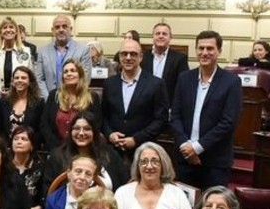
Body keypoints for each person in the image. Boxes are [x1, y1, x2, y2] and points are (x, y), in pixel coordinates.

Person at [170, 30, 242, 189]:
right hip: (184, 158)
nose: (204, 53)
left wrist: (197, 148)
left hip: (215, 161)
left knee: (212, 203)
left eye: (210, 48)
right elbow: (175, 116)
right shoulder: (184, 78)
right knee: (185, 203)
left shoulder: (231, 82)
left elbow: (228, 122)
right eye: (201, 48)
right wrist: (186, 147)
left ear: (219, 51)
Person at [101, 39, 169, 167]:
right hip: (114, 152)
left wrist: (136, 139)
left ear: (141, 57)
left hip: (144, 152)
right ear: (119, 57)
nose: (128, 58)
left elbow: (161, 120)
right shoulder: (109, 83)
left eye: (133, 54)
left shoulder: (156, 84)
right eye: (124, 54)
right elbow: (104, 116)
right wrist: (110, 134)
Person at [42, 110, 128, 193]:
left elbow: (125, 184)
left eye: (87, 129)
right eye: (77, 128)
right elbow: (48, 192)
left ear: (94, 132)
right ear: (71, 131)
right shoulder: (57, 157)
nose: (81, 133)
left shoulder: (109, 154)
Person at [40, 58, 103, 151]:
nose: (69, 74)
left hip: (83, 149)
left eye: (73, 71)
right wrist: (57, 148)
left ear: (80, 75)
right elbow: (44, 124)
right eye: (65, 72)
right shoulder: (54, 95)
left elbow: (97, 124)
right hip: (56, 148)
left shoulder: (92, 97)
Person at [34, 14, 91, 99]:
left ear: (70, 29)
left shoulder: (83, 50)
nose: (61, 30)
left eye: (64, 26)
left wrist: (71, 99)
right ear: (53, 30)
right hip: (49, 100)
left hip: (75, 100)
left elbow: (85, 78)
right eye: (57, 27)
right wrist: (49, 99)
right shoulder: (42, 51)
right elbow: (39, 79)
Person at [10, 126, 45, 209]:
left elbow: (43, 198)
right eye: (16, 139)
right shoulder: (5, 167)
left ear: (32, 145)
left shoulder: (40, 168)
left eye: (24, 139)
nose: (19, 142)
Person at [141, 23, 189, 105]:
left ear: (170, 38)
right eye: (157, 33)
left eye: (164, 34)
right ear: (153, 37)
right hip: (145, 105)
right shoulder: (142, 57)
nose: (161, 36)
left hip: (169, 106)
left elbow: (183, 86)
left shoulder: (180, 59)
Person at [0, 65, 45, 144]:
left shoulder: (39, 103)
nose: (19, 80)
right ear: (13, 81)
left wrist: (29, 144)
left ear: (30, 82)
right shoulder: (4, 101)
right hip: (6, 146)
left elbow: (41, 129)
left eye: (23, 78)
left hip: (30, 146)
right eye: (16, 78)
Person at [0, 16, 33, 96]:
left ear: (16, 31)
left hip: (19, 97)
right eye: (5, 28)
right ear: (1, 32)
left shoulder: (26, 51)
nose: (8, 30)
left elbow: (31, 77)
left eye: (11, 27)